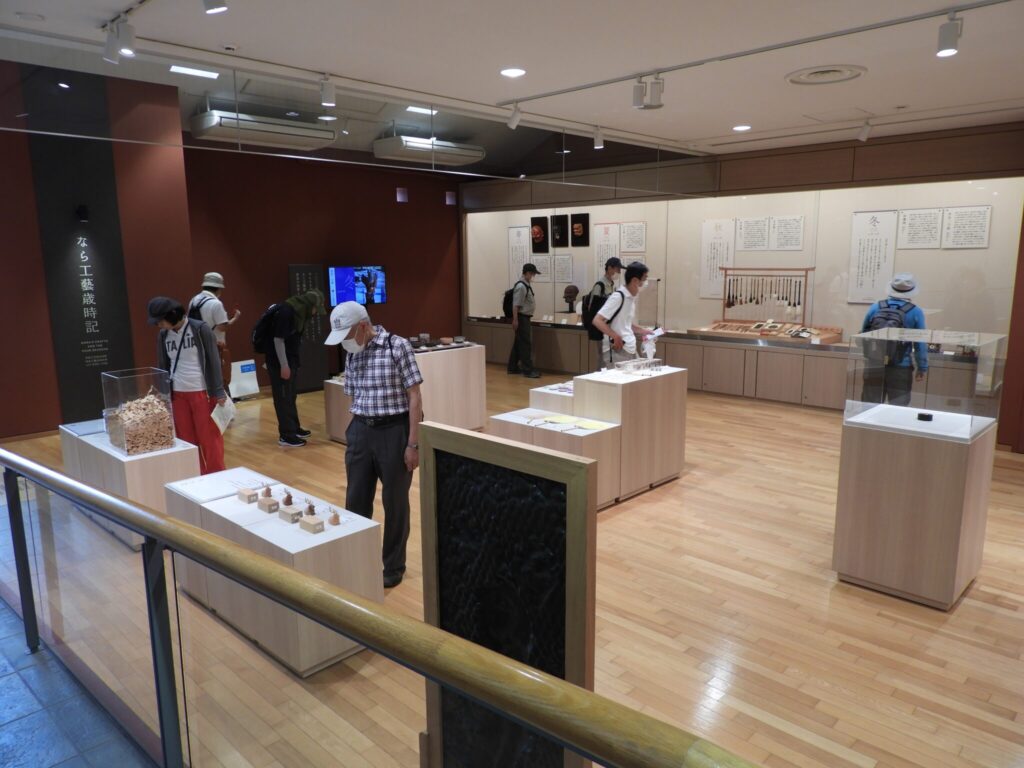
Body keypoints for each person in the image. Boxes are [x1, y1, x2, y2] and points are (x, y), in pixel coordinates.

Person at [325, 301, 423, 589]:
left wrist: (413, 444)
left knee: (395, 502)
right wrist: (354, 433)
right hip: (360, 430)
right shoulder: (352, 354)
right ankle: (359, 559)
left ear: (363, 326)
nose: (345, 342)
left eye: (347, 335)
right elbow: (354, 395)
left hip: (394, 430)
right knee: (355, 499)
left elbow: (415, 396)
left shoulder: (397, 346)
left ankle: (393, 565)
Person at [148, 297, 227, 475]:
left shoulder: (199, 329)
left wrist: (218, 391)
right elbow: (163, 365)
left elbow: (214, 361)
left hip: (202, 392)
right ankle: (195, 475)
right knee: (186, 439)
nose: (158, 325)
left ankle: (217, 476)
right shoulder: (163, 335)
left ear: (172, 315)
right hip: (177, 395)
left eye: (160, 320)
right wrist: (163, 393)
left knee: (210, 438)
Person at [264, 289, 325, 447]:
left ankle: (294, 428)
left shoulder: (299, 313)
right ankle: (286, 435)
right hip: (279, 362)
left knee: (291, 396)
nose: (315, 313)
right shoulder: (287, 312)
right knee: (283, 398)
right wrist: (284, 365)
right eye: (315, 309)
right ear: (309, 305)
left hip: (290, 359)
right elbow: (278, 340)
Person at [860, 273, 928, 405]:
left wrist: (870, 355)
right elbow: (920, 344)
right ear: (911, 292)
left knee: (870, 404)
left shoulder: (875, 307)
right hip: (900, 366)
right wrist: (922, 367)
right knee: (898, 407)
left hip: (875, 364)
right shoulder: (915, 312)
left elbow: (864, 333)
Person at [591, 261, 655, 368]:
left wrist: (643, 331)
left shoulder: (630, 298)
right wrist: (615, 336)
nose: (645, 283)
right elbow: (597, 320)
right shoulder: (618, 297)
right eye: (644, 279)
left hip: (629, 347)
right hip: (617, 350)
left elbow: (625, 323)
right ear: (635, 280)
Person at [187, 272, 241, 392]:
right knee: (220, 380)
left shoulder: (193, 301)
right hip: (215, 347)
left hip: (197, 346)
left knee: (204, 381)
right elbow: (223, 327)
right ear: (219, 288)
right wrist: (235, 319)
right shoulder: (216, 304)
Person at [588, 257, 623, 369]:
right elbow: (592, 308)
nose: (619, 272)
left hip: (609, 326)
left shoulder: (612, 285)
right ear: (609, 268)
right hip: (600, 326)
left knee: (608, 355)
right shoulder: (599, 286)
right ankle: (599, 376)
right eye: (617, 269)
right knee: (602, 355)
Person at [507, 263, 541, 378]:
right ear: (527, 273)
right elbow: (516, 305)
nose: (533, 276)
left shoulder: (526, 285)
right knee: (525, 344)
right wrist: (515, 320)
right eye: (532, 274)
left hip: (524, 318)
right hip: (522, 318)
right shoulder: (521, 286)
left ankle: (512, 367)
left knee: (518, 343)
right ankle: (527, 370)